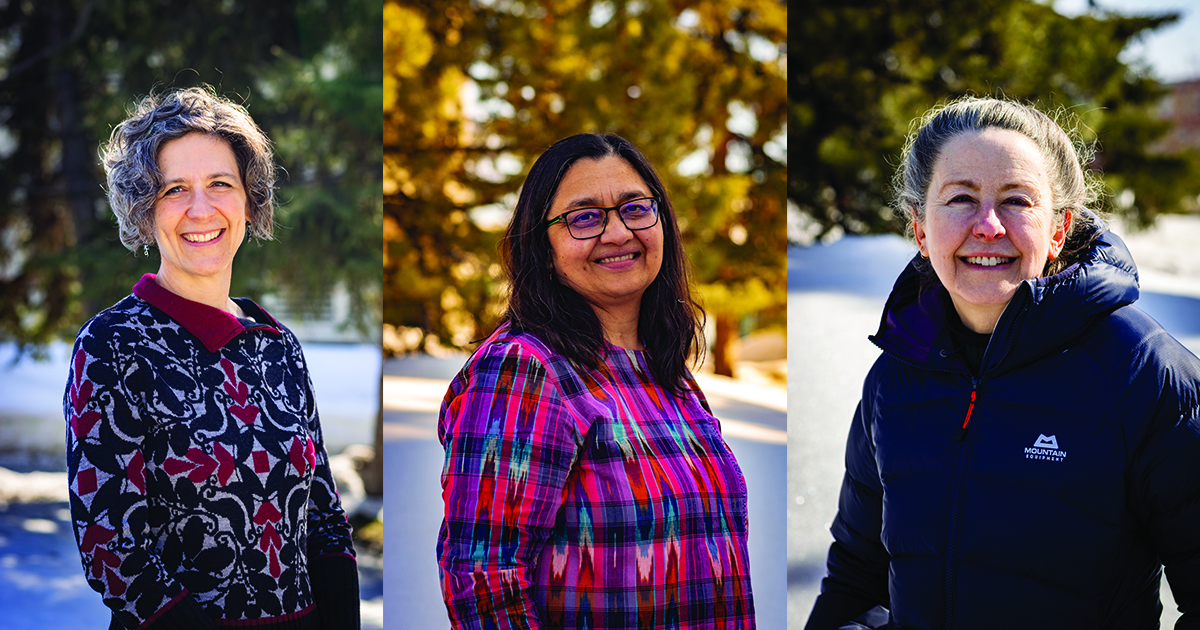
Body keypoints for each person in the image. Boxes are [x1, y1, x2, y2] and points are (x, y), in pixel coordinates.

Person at [806, 97, 1200, 629]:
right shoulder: (894, 379)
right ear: (920, 229)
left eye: (1017, 200)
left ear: (1058, 230)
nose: (988, 225)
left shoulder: (1143, 375)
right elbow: (857, 577)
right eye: (961, 198)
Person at [64, 86, 359, 629]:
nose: (202, 209)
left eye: (221, 184)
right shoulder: (111, 346)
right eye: (175, 188)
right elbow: (111, 548)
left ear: (249, 201)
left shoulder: (278, 346)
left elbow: (324, 515)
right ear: (144, 209)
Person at [437, 133, 755, 629]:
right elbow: (484, 582)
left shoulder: (666, 375)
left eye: (634, 207)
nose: (617, 232)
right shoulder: (524, 370)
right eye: (584, 217)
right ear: (543, 248)